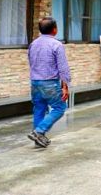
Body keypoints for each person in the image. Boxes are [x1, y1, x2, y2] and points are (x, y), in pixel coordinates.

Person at [27, 17, 71, 148]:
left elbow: (31, 62)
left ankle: (39, 138)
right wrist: (65, 87)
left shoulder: (33, 44)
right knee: (60, 108)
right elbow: (63, 68)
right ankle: (39, 131)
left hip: (35, 82)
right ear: (55, 30)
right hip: (50, 82)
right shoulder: (56, 44)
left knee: (39, 109)